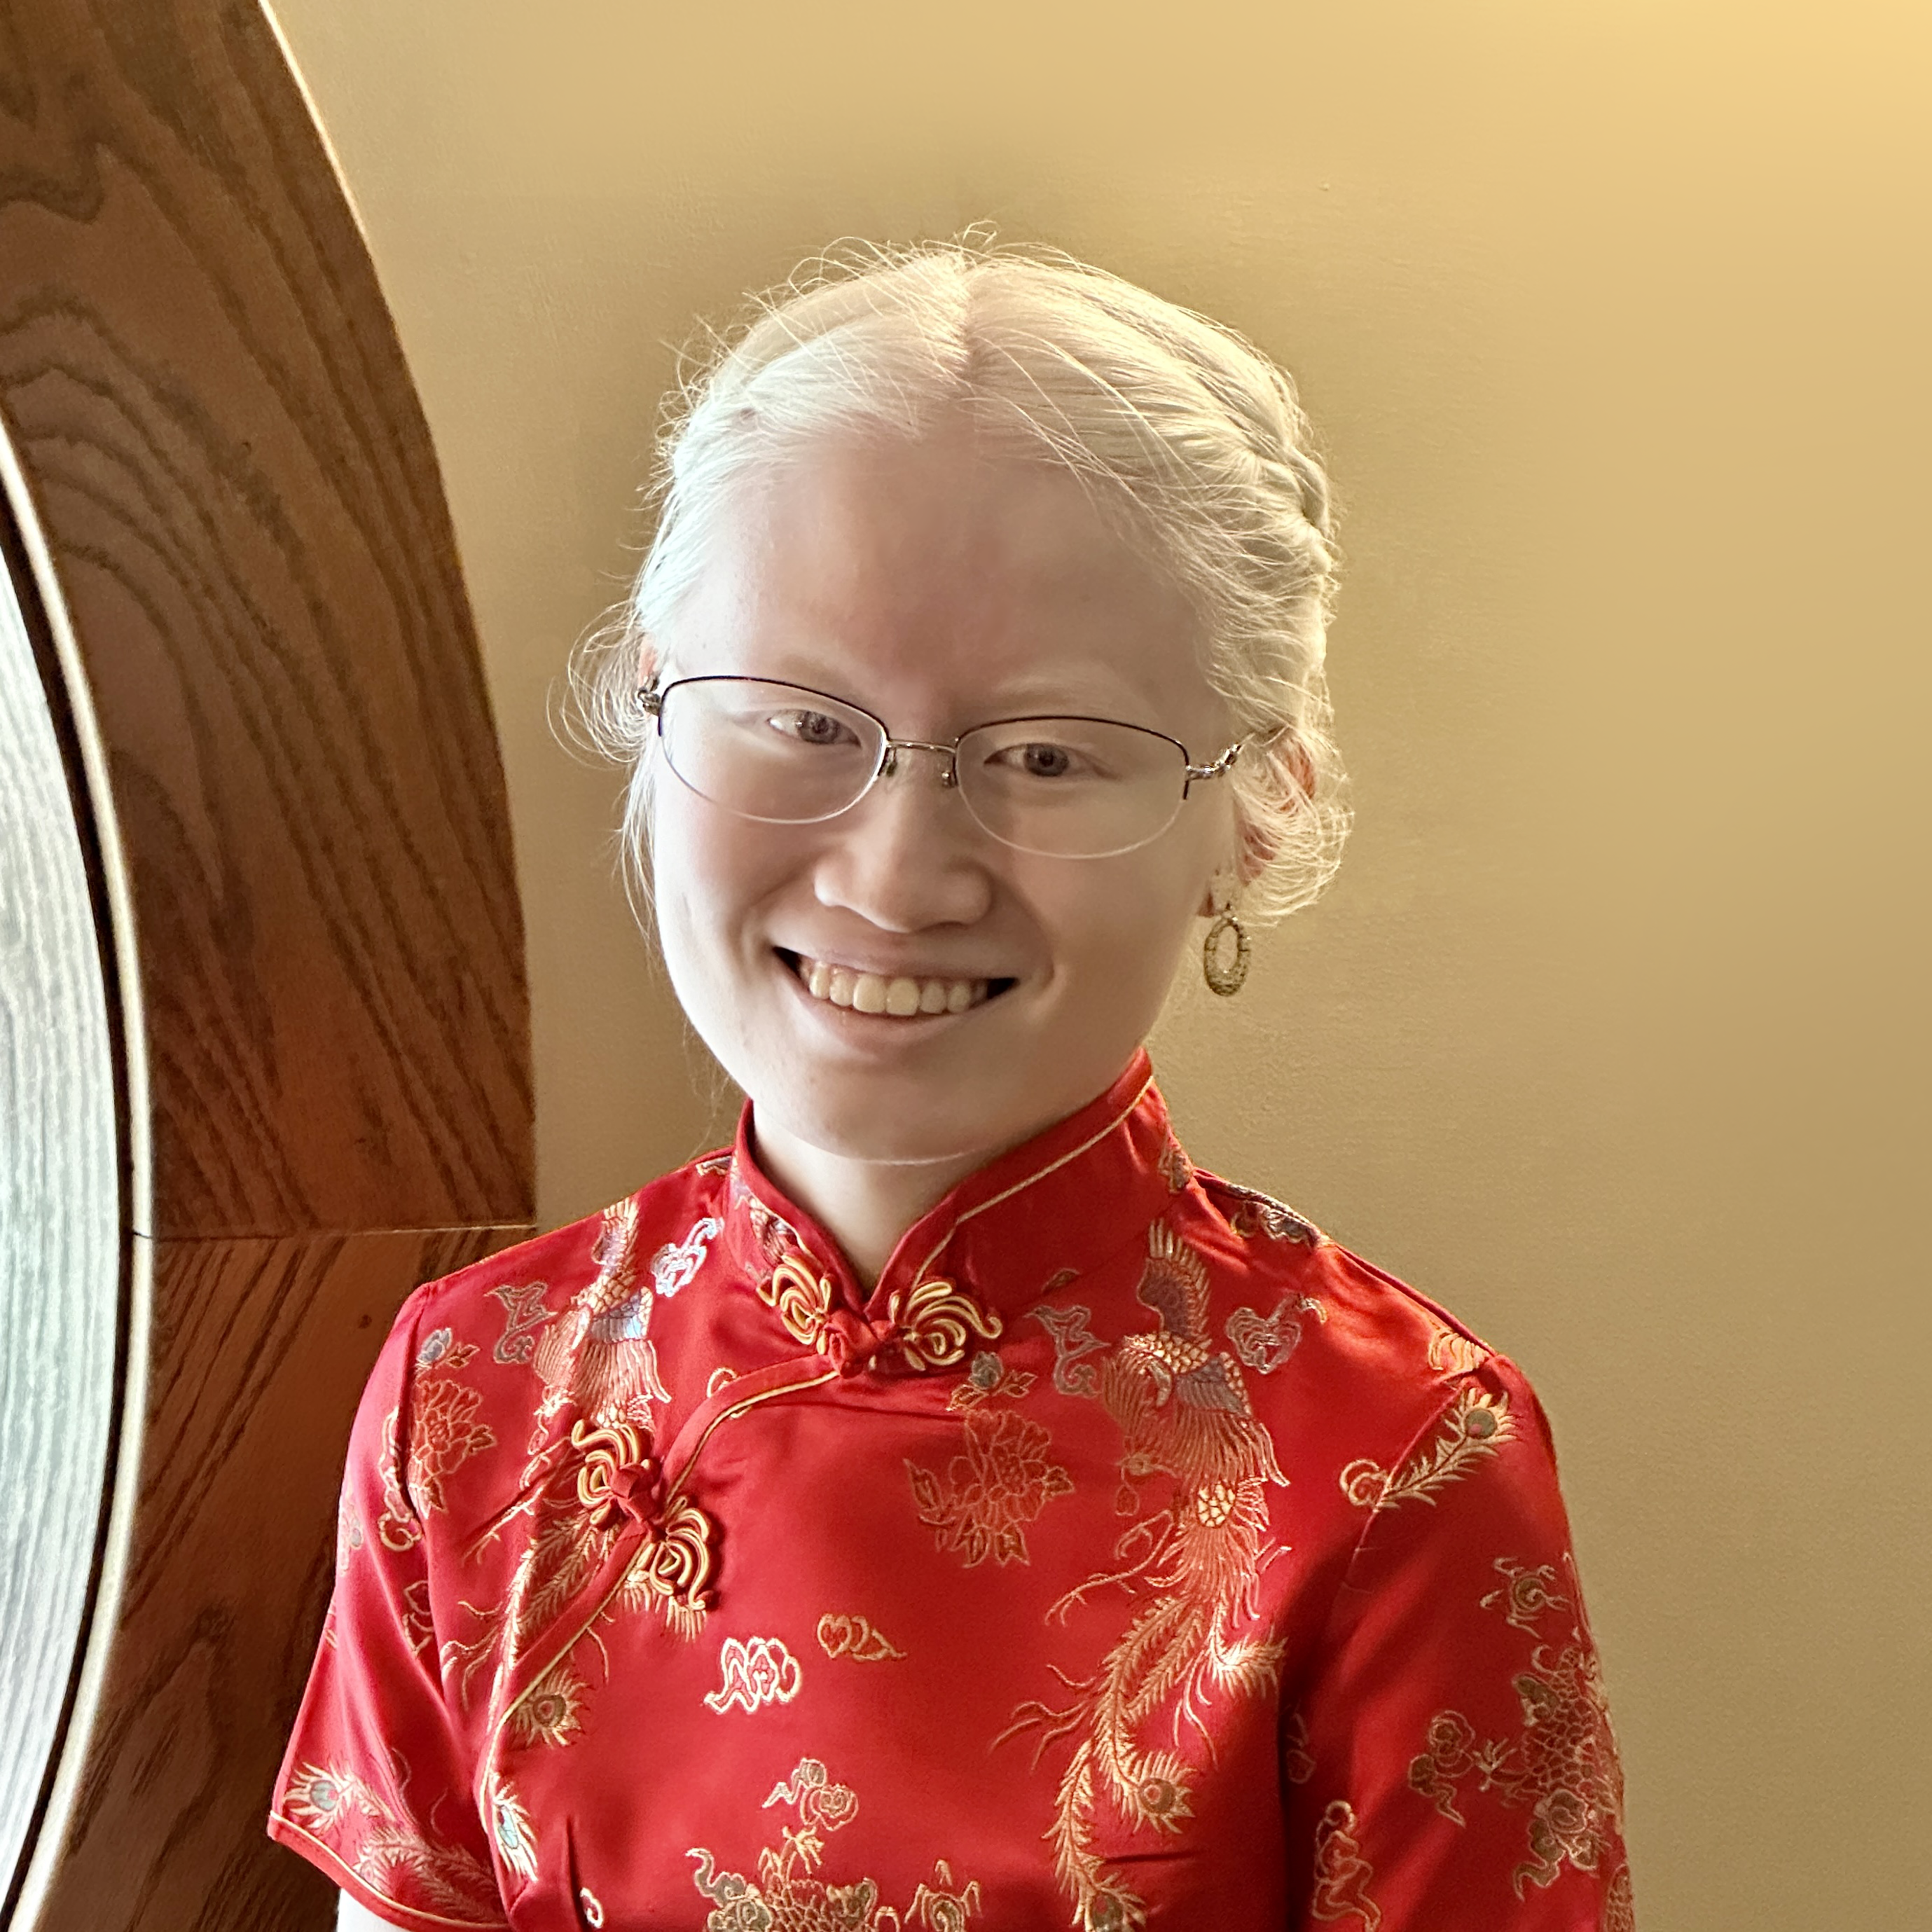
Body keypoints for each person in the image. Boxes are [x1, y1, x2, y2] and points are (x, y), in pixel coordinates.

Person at [271, 242, 1632, 1932]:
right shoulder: (480, 1376)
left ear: (1257, 802)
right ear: (650, 698)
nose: (900, 873)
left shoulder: (1389, 1454)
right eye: (799, 720)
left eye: (1046, 753)